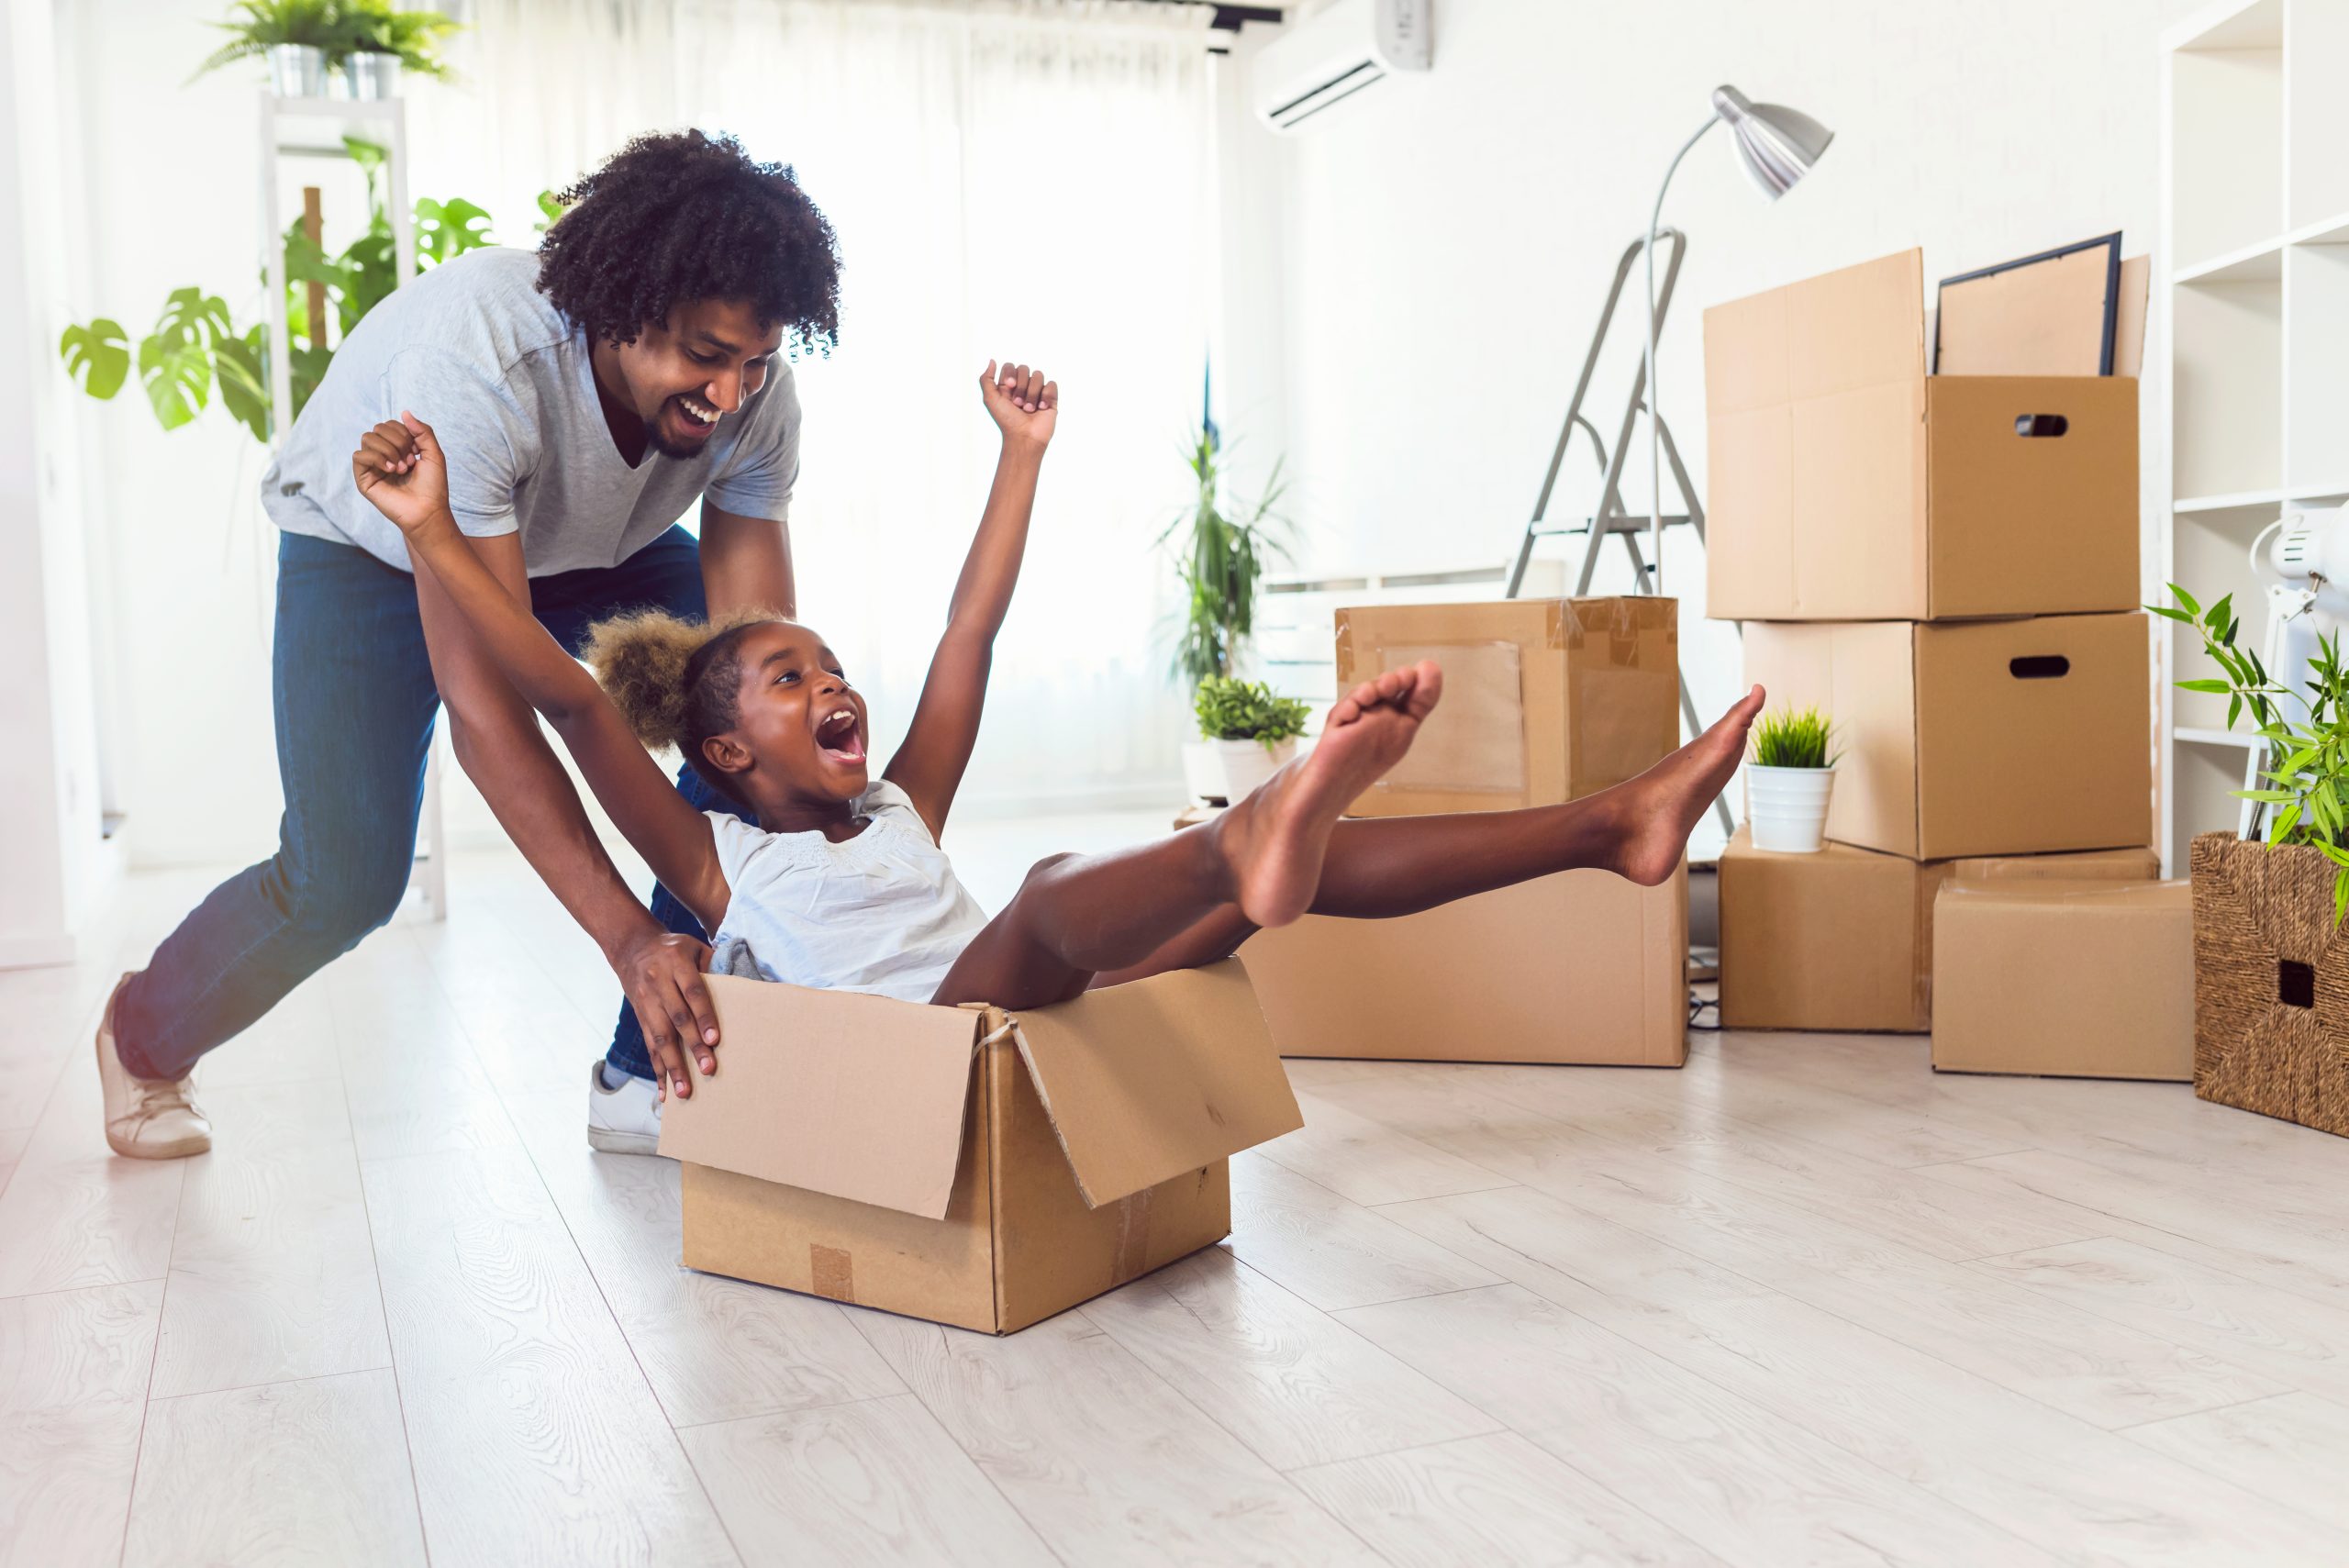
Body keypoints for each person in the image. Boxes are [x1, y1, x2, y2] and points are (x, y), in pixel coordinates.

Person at [343, 361, 1765, 1036]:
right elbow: (573, 704)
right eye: (794, 682)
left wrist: (1019, 452)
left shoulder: (899, 798)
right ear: (724, 747)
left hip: (1037, 1010)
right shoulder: (718, 862)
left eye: (834, 669)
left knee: (1289, 870)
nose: (836, 687)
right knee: (1044, 889)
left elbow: (972, 624)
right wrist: (429, 531)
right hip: (940, 1046)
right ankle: (1250, 834)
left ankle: (1611, 825)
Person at [94, 129, 841, 1162]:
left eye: (754, 362)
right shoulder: (477, 364)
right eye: (704, 357)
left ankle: (644, 1072)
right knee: (346, 879)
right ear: (620, 311)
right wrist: (627, 934)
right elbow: (489, 713)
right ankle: (141, 1035)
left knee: (754, 734)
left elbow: (764, 670)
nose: (728, 396)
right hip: (382, 542)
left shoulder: (755, 398)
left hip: (585, 544)